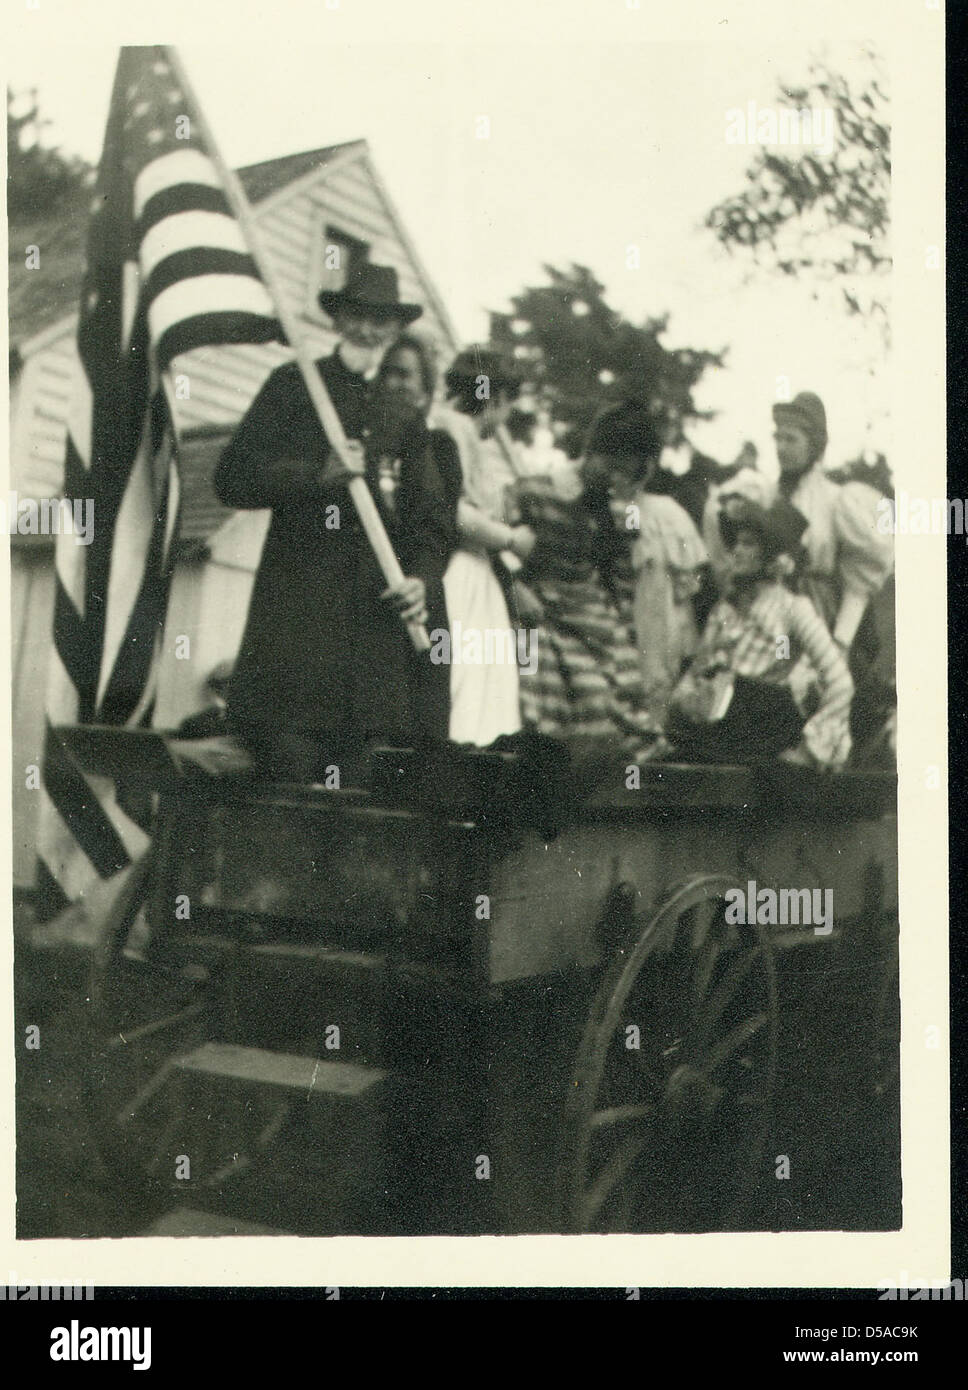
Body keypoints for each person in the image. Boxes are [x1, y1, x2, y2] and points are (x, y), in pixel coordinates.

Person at [213, 262, 456, 781]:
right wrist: (315, 474)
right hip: (297, 634)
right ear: (338, 319)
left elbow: (432, 522)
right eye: (357, 316)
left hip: (373, 651)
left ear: (396, 329)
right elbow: (231, 478)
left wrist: (422, 580)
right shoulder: (295, 386)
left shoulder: (404, 413)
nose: (369, 330)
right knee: (289, 774)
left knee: (362, 786)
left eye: (382, 322)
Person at [663, 498, 854, 770]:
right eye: (736, 543)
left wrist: (809, 750)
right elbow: (696, 672)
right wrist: (682, 704)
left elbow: (840, 682)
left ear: (773, 556)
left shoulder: (792, 608)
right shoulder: (726, 609)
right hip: (714, 733)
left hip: (758, 735)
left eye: (749, 543)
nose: (737, 551)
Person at [431, 346, 536, 745]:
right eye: (507, 405)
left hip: (478, 570)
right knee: (467, 679)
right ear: (492, 398)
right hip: (460, 568)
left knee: (482, 677)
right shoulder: (456, 428)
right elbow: (452, 511)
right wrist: (511, 539)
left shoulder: (460, 431)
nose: (505, 418)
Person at [578, 402, 709, 720]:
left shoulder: (665, 514)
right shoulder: (581, 508)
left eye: (629, 466)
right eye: (612, 465)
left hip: (654, 639)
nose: (618, 477)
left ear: (647, 466)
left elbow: (687, 596)